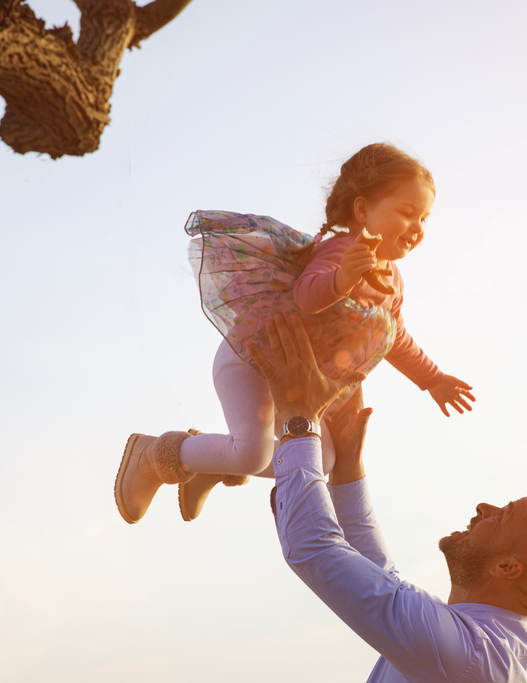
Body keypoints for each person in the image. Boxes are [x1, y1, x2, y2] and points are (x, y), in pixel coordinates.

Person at [252, 314, 527, 683]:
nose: (484, 506)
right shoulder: (502, 649)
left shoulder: (465, 658)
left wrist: (298, 418)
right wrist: (347, 469)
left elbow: (314, 549)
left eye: (504, 514)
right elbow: (381, 580)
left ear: (507, 567)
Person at [114, 144, 476, 524]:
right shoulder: (343, 251)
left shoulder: (393, 280)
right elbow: (305, 296)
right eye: (407, 213)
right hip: (249, 360)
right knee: (252, 454)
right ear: (363, 210)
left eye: (425, 219)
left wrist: (432, 379)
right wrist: (342, 279)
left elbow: (395, 336)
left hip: (290, 382)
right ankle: (153, 454)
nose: (418, 228)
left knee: (324, 458)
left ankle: (212, 464)